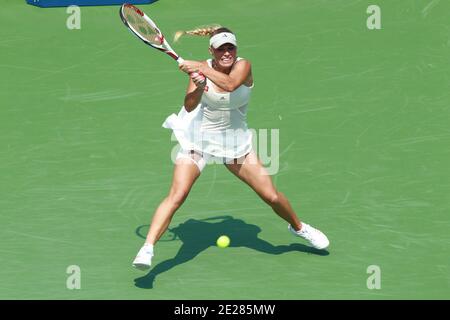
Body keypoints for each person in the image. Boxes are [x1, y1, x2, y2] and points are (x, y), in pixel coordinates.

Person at [132, 26, 329, 270]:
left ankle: (299, 228)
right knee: (177, 195)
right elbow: (190, 106)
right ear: (211, 50)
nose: (227, 52)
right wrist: (200, 85)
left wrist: (201, 69)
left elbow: (230, 85)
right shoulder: (201, 69)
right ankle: (147, 248)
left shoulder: (243, 66)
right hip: (198, 141)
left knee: (271, 196)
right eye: (221, 48)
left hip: (234, 144)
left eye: (230, 47)